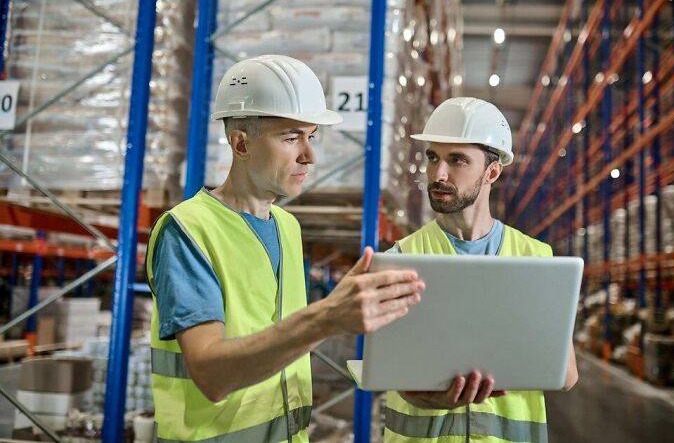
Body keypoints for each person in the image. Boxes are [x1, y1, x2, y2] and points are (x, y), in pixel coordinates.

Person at [145, 55, 425, 443]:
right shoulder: (188, 230)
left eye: (312, 137)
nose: (309, 156)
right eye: (291, 137)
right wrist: (327, 316)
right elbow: (211, 374)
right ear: (240, 143)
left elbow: (282, 345)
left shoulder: (288, 228)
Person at [383, 97, 579, 443]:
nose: (438, 174)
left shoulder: (536, 259)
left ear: (492, 172)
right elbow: (385, 368)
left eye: (457, 160)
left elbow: (565, 374)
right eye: (433, 158)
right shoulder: (403, 255)